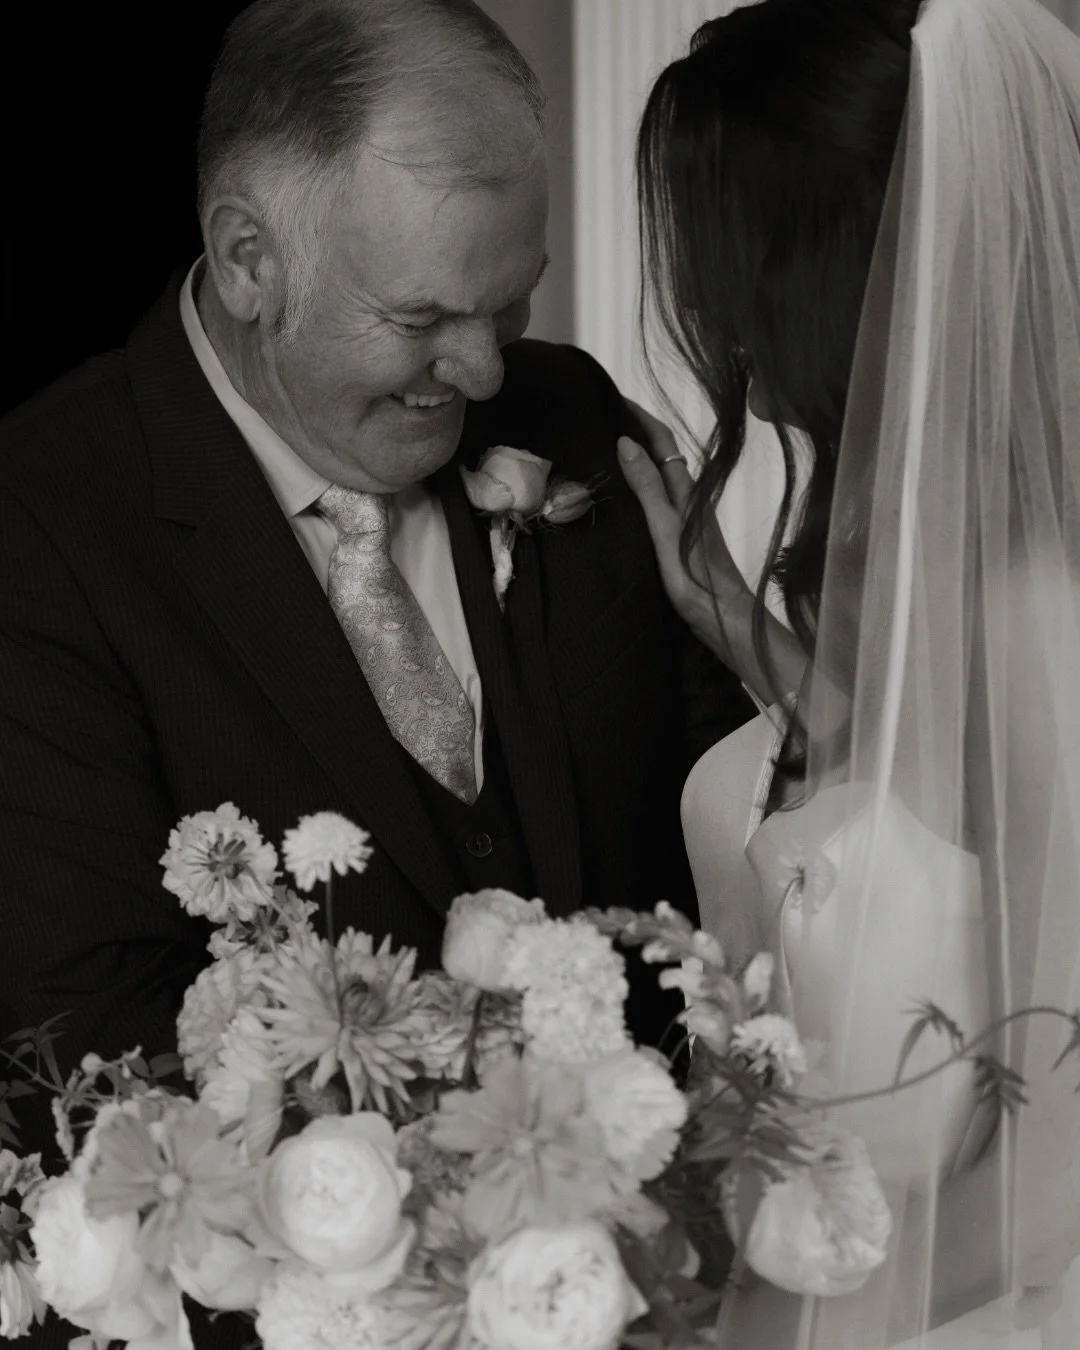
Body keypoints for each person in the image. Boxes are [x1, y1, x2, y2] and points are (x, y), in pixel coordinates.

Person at [0, 0, 748, 1273]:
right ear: (248, 258)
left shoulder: (572, 420)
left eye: (509, 305)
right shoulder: (44, 527)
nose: (485, 371)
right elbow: (93, 1053)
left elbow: (720, 816)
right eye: (422, 320)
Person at [619, 0, 1080, 1345]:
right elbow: (915, 808)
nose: (695, 299)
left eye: (709, 242)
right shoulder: (893, 560)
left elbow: (1061, 1145)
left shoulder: (1034, 605)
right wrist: (730, 613)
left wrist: (779, 1326)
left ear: (806, 262)